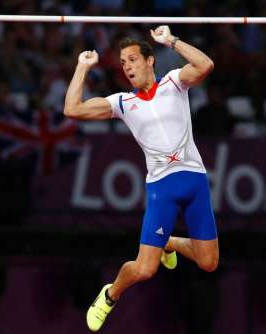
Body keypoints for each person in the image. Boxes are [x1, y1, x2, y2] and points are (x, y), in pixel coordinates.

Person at [63, 25, 218, 332]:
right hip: (162, 188)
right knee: (145, 269)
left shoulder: (174, 82)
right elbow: (72, 109)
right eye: (123, 63)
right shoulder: (122, 103)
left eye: (133, 59)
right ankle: (110, 294)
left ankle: (169, 243)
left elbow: (206, 65)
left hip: (195, 181)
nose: (127, 66)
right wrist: (82, 67)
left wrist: (170, 41)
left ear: (150, 61)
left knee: (209, 263)